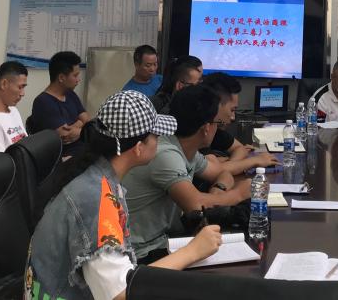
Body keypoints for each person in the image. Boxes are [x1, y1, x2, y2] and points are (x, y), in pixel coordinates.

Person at [25, 90, 222, 300]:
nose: (161, 140)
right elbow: (120, 294)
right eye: (156, 135)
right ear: (138, 148)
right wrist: (193, 251)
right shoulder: (94, 198)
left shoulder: (93, 175)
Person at [122, 85, 251, 264]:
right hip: (142, 253)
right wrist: (239, 194)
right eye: (217, 123)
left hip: (165, 240)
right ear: (206, 128)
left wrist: (218, 190)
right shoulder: (166, 153)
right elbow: (196, 204)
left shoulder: (185, 148)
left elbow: (222, 173)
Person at [200, 72, 277, 173]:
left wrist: (231, 164)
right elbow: (214, 171)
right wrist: (254, 161)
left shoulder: (215, 129)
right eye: (232, 110)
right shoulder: (199, 130)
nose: (233, 117)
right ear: (216, 105)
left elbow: (240, 148)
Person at [29, 51, 90, 158]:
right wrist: (81, 125)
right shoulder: (43, 102)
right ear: (61, 78)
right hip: (63, 158)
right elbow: (65, 136)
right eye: (75, 75)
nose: (78, 79)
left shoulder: (70, 94)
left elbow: (87, 120)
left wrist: (75, 127)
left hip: (82, 152)